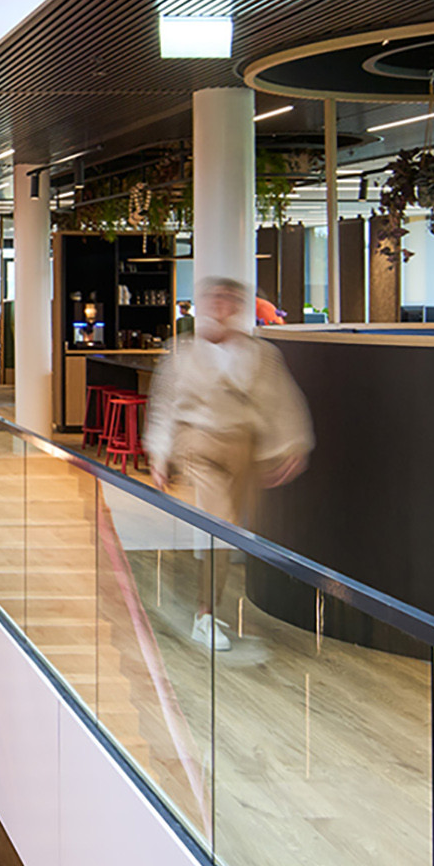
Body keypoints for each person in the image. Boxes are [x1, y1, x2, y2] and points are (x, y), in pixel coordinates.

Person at [145, 275, 313, 647]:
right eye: (215, 298)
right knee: (218, 525)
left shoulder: (261, 355)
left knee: (230, 531)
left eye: (230, 298)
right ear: (203, 305)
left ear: (239, 306)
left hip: (244, 449)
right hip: (199, 444)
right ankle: (204, 614)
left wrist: (293, 445)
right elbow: (164, 405)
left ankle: (208, 606)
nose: (222, 305)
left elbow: (282, 401)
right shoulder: (183, 353)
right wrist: (159, 454)